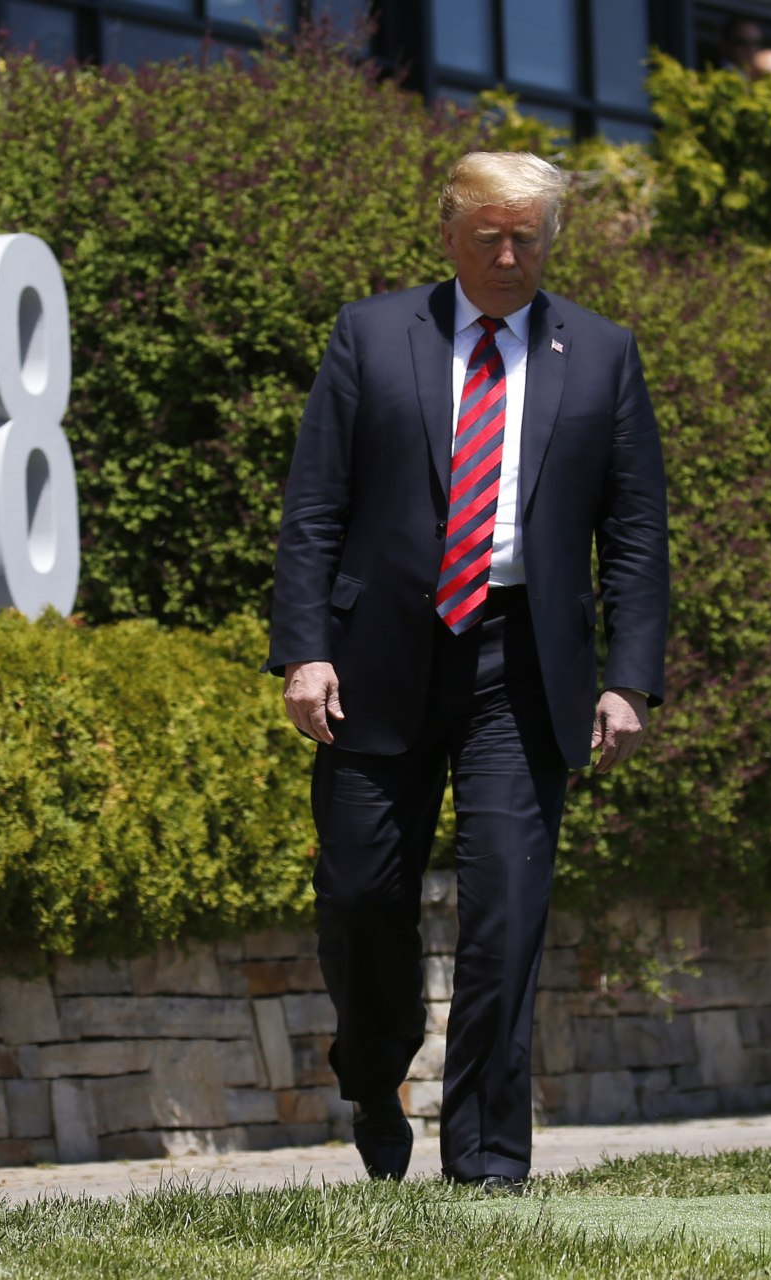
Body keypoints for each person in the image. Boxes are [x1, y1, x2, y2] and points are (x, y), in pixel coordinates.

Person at [266, 152, 669, 1191]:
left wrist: (629, 676)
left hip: (523, 661)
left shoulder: (604, 353)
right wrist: (304, 649)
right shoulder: (370, 334)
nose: (507, 254)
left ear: (551, 240)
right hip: (377, 662)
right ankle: (371, 1073)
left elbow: (633, 535)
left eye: (527, 236)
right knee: (362, 894)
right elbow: (314, 507)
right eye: (488, 233)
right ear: (447, 230)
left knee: (507, 914)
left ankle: (488, 1162)